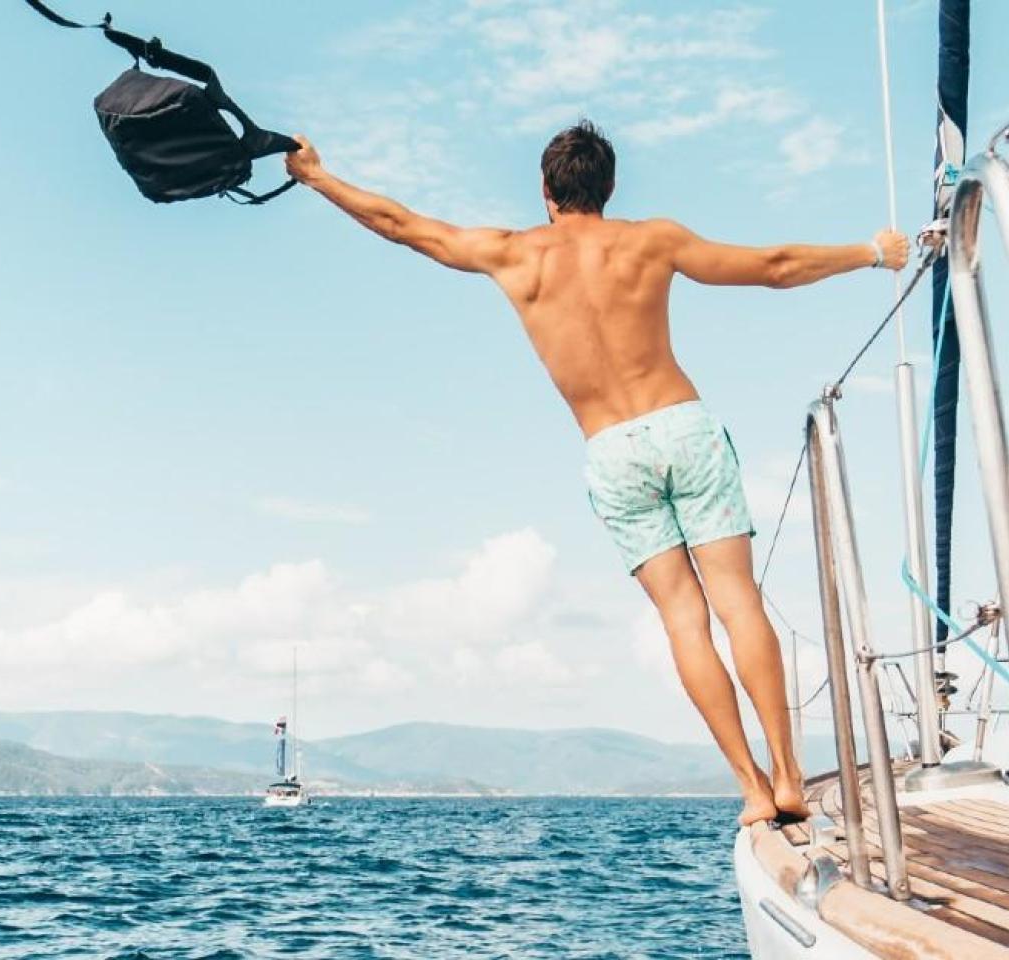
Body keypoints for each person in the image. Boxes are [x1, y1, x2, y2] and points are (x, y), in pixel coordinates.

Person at [286, 120, 908, 825]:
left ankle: (754, 791)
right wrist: (870, 252)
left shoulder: (512, 255)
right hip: (682, 424)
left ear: (547, 193)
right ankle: (791, 775)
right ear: (608, 189)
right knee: (738, 600)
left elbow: (400, 224)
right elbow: (774, 265)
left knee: (684, 619)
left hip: (612, 448)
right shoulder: (652, 241)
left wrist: (317, 176)